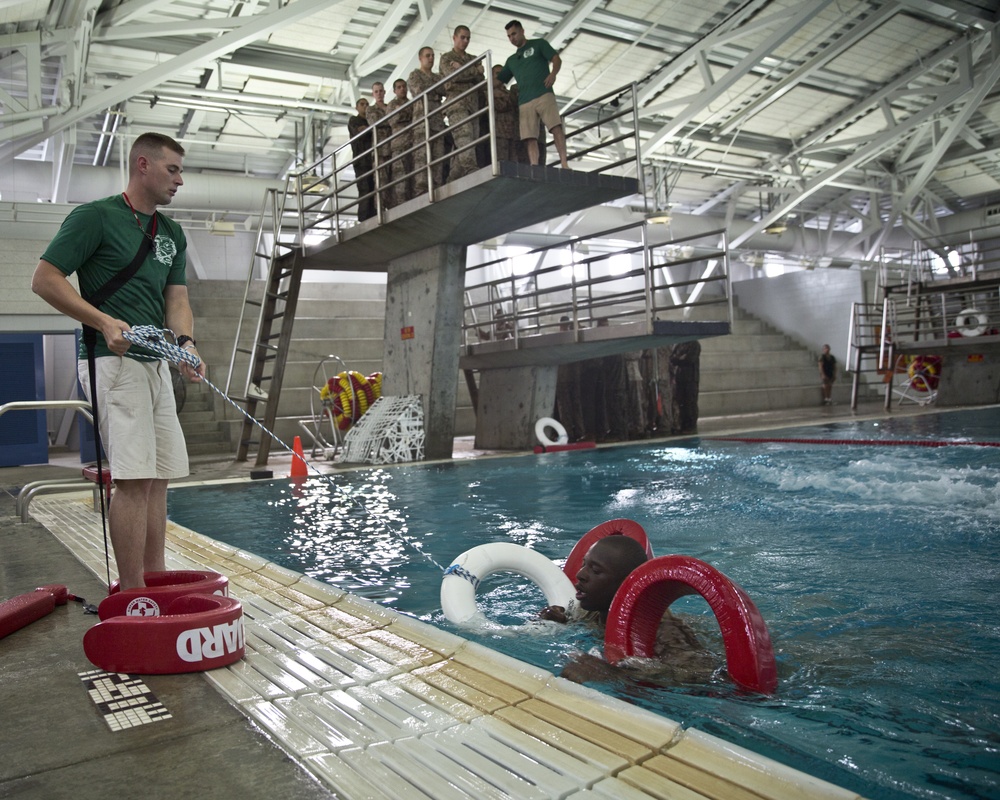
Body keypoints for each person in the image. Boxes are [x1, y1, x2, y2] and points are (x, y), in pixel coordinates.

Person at [30, 132, 205, 591]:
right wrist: (104, 321)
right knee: (133, 479)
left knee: (160, 475)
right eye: (173, 170)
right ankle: (133, 593)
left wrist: (185, 342)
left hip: (154, 364)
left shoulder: (171, 232)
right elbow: (45, 279)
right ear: (142, 165)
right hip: (111, 359)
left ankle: (154, 577)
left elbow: (178, 296)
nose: (180, 180)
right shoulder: (95, 217)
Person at [539, 536, 715, 684]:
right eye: (584, 564)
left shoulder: (663, 634)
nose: (580, 575)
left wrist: (616, 675)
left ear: (627, 586)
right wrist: (560, 621)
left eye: (595, 570)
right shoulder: (589, 612)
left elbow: (708, 677)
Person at [497, 19, 570, 169]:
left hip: (544, 93)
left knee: (556, 127)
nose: (512, 38)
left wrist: (553, 74)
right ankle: (535, 167)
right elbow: (499, 80)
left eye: (514, 34)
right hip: (524, 101)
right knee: (530, 137)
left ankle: (564, 162)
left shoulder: (539, 44)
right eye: (509, 36)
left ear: (522, 31)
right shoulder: (511, 60)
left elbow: (556, 59)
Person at [440, 25, 485, 182]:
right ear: (454, 38)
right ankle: (472, 170)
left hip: (473, 106)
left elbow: (481, 79)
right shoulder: (446, 58)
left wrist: (463, 69)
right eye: (462, 37)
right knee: (464, 138)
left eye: (468, 38)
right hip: (456, 104)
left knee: (470, 142)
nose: (465, 41)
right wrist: (473, 71)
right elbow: (454, 77)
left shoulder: (472, 58)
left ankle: (453, 178)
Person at [408, 46, 448, 197]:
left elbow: (446, 89)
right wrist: (437, 89)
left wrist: (436, 89)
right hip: (422, 122)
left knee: (438, 156)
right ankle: (422, 191)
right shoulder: (414, 75)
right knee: (422, 158)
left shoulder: (437, 77)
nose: (431, 58)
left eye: (432, 55)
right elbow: (419, 90)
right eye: (427, 56)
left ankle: (436, 187)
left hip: (437, 121)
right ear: (420, 58)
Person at [365, 81, 395, 208]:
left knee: (394, 180)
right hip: (380, 150)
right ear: (373, 94)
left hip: (393, 147)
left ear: (384, 92)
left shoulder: (390, 106)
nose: (379, 94)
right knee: (381, 182)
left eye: (381, 91)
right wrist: (392, 119)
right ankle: (380, 210)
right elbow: (375, 122)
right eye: (376, 91)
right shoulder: (371, 109)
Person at [347, 98, 375, 220]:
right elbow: (361, 133)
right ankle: (364, 216)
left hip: (372, 159)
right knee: (364, 188)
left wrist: (367, 128)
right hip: (361, 160)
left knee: (374, 187)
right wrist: (369, 129)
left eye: (367, 104)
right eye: (362, 104)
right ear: (357, 107)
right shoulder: (354, 120)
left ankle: (374, 213)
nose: (365, 106)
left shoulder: (370, 120)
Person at [387, 78, 414, 203]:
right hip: (399, 145)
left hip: (412, 143)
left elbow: (415, 116)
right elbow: (393, 120)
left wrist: (402, 112)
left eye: (404, 86)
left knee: (412, 174)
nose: (402, 89)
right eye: (399, 87)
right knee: (400, 176)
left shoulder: (412, 103)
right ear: (394, 91)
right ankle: (401, 202)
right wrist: (405, 114)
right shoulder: (392, 105)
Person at [491, 64, 519, 162]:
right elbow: (500, 106)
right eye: (497, 73)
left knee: (514, 166)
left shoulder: (507, 92)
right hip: (499, 134)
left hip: (513, 133)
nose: (500, 76)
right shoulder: (489, 91)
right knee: (502, 164)